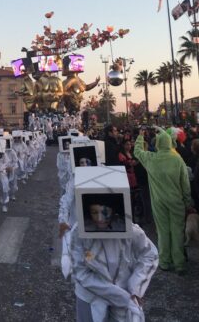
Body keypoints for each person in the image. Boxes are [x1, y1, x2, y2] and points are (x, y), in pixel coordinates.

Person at [70, 219, 158, 321]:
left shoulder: (130, 229)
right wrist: (119, 295)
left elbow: (149, 254)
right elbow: (79, 270)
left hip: (124, 297)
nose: (100, 217)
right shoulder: (78, 231)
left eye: (105, 211)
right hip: (91, 298)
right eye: (95, 211)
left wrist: (135, 285)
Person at [134, 127, 191, 274]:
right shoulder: (177, 159)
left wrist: (140, 136)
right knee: (178, 232)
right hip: (176, 201)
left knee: (163, 231)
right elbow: (185, 183)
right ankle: (179, 264)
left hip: (159, 202)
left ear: (158, 144)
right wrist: (188, 202)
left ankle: (164, 261)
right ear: (171, 143)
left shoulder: (151, 158)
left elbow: (137, 151)